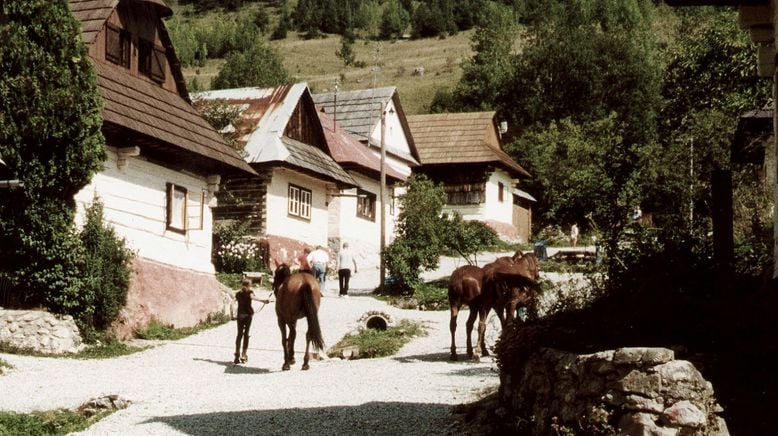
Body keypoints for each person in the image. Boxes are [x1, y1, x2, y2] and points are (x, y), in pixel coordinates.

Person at [230, 278, 269, 364]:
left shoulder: (238, 293)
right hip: (248, 316)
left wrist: (232, 314)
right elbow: (253, 298)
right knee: (246, 334)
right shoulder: (250, 292)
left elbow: (232, 303)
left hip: (240, 316)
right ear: (249, 284)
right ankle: (243, 355)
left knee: (239, 334)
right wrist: (263, 301)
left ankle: (237, 354)